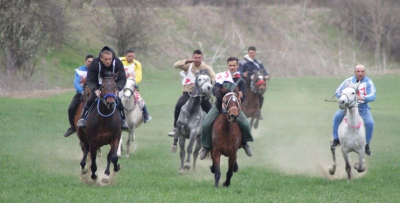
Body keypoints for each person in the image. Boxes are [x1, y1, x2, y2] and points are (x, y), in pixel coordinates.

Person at [199, 57, 253, 160]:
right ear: (227, 65)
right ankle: (206, 147)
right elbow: (215, 90)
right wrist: (220, 94)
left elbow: (244, 95)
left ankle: (244, 143)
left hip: (234, 107)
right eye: (230, 65)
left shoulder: (240, 80)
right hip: (219, 106)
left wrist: (241, 97)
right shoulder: (221, 77)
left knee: (245, 124)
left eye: (234, 65)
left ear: (237, 66)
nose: (232, 67)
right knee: (205, 124)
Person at [76, 46, 129, 130]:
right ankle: (83, 118)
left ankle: (123, 120)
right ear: (101, 58)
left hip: (112, 86)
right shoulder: (94, 64)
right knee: (92, 98)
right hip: (98, 85)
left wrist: (117, 89)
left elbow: (122, 78)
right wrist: (95, 90)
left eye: (110, 59)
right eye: (106, 59)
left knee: (117, 99)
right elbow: (90, 79)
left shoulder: (118, 62)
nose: (108, 61)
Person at [167, 50, 216, 137]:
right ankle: (176, 128)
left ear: (202, 58)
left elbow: (214, 77)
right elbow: (176, 65)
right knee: (178, 106)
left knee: (211, 111)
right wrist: (186, 61)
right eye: (195, 58)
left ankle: (212, 130)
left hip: (202, 95)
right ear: (192, 58)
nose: (197, 59)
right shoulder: (187, 66)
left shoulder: (207, 68)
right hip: (188, 93)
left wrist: (210, 84)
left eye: (199, 58)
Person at [331, 64, 376, 156]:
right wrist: (344, 99)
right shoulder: (348, 81)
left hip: (362, 108)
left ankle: (366, 144)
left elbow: (373, 95)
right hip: (348, 108)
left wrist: (362, 98)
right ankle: (336, 139)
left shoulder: (369, 82)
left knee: (370, 123)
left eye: (362, 71)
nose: (360, 73)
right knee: (337, 117)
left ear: (365, 72)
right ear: (354, 72)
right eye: (358, 71)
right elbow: (338, 91)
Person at [63, 54, 94, 137]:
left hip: (93, 94)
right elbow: (76, 83)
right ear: (85, 61)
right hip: (81, 94)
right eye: (88, 61)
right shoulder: (80, 71)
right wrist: (82, 91)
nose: (90, 63)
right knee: (71, 108)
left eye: (92, 62)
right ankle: (73, 127)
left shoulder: (96, 71)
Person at [119, 49, 152, 123]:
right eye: (129, 56)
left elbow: (139, 75)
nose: (130, 58)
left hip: (130, 85)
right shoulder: (120, 61)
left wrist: (134, 82)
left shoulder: (136, 64)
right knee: (116, 98)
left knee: (139, 99)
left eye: (132, 56)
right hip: (121, 85)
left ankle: (146, 115)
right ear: (125, 56)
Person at [238, 46, 270, 119]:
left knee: (260, 96)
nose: (252, 54)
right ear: (248, 53)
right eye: (250, 53)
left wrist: (267, 75)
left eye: (253, 53)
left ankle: (258, 111)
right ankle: (238, 109)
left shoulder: (258, 62)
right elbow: (238, 72)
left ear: (255, 53)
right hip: (246, 83)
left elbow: (264, 71)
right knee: (240, 94)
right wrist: (243, 74)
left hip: (256, 84)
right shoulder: (243, 63)